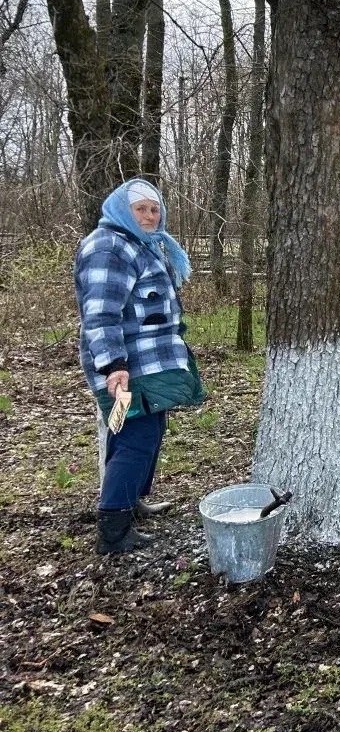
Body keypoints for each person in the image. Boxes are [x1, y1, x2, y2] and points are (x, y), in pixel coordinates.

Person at [75, 179, 206, 554]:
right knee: (137, 435)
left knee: (135, 430)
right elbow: (100, 314)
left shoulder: (142, 245)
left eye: (154, 209)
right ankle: (114, 528)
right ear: (121, 210)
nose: (150, 216)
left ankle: (129, 501)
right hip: (128, 367)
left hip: (151, 363)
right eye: (141, 209)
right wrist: (114, 365)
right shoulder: (108, 246)